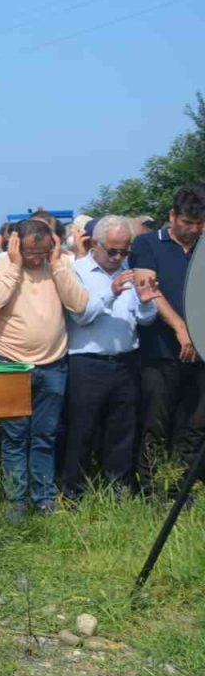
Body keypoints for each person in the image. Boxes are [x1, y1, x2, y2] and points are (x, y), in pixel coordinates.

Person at [0, 219, 89, 517]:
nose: (35, 259)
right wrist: (16, 266)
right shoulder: (2, 265)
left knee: (45, 435)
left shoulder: (59, 265)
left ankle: (43, 500)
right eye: (29, 252)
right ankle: (16, 502)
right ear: (15, 244)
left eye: (41, 252)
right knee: (15, 437)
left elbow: (79, 304)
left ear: (51, 246)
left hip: (54, 364)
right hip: (11, 364)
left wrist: (55, 266)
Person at [63, 216, 160, 501]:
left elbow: (145, 319)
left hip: (126, 360)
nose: (119, 257)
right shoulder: (77, 272)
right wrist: (111, 291)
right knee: (82, 431)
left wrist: (145, 302)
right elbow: (81, 316)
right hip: (87, 362)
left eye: (125, 251)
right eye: (113, 251)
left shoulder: (132, 270)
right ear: (95, 244)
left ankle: (118, 490)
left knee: (122, 430)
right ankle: (73, 494)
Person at [130, 186, 205, 495]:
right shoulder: (147, 244)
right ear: (172, 216)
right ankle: (150, 489)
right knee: (155, 425)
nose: (193, 229)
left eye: (199, 223)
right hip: (160, 352)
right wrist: (180, 327)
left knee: (195, 424)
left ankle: (183, 487)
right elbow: (147, 287)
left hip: (200, 356)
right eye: (188, 222)